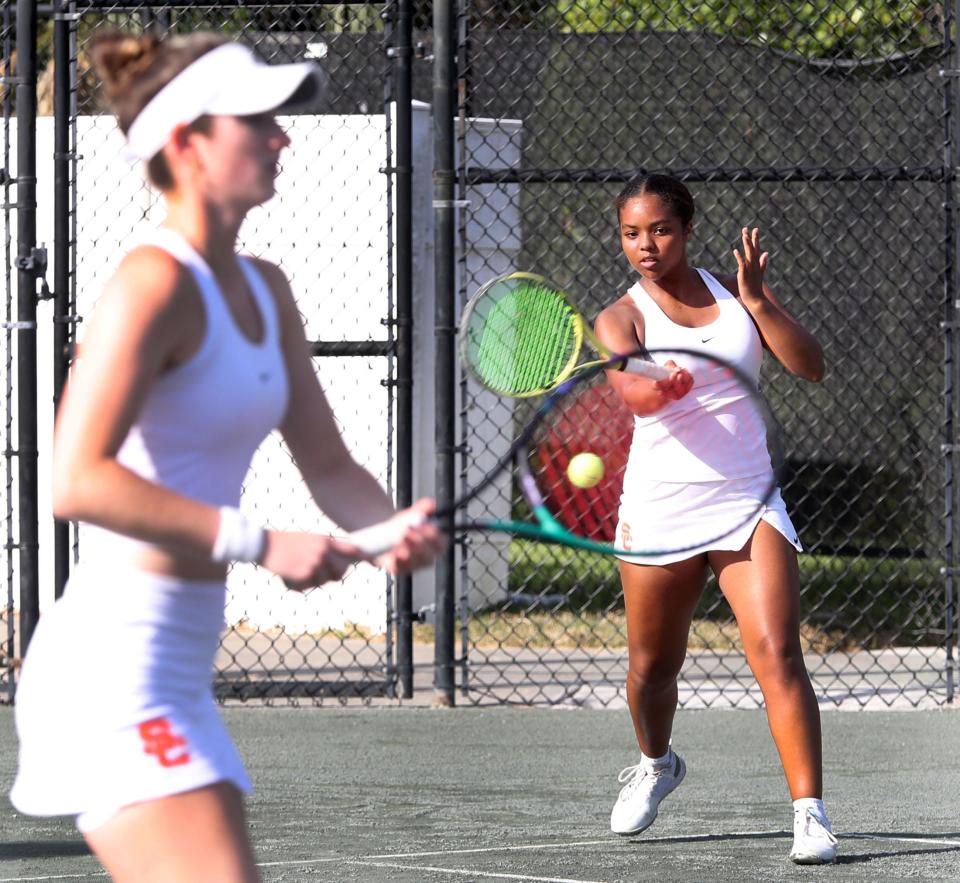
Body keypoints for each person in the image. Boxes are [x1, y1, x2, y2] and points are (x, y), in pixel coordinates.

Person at [9, 30, 444, 883]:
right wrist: (259, 541)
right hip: (109, 667)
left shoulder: (268, 288)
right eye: (258, 120)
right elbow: (75, 477)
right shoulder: (151, 283)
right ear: (186, 142)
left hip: (177, 669)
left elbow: (327, 465)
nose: (283, 137)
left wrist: (386, 526)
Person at [595, 174, 836, 864]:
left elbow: (811, 367)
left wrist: (759, 300)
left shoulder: (737, 297)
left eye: (660, 230)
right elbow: (630, 391)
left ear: (688, 228)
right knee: (650, 668)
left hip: (747, 498)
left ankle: (810, 813)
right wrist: (657, 386)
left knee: (776, 649)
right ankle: (657, 761)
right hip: (662, 504)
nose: (646, 245)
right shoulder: (621, 316)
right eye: (631, 232)